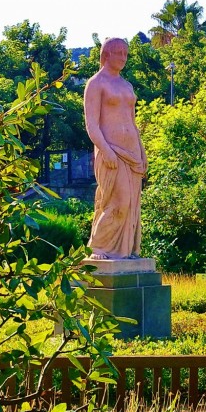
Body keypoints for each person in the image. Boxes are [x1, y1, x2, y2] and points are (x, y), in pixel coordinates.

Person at [84, 38, 147, 260]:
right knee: (118, 202)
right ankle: (98, 247)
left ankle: (125, 250)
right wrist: (106, 150)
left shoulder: (127, 85)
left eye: (125, 54)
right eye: (118, 53)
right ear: (106, 55)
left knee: (131, 207)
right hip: (111, 152)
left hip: (132, 154)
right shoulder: (96, 83)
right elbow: (91, 124)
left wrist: (142, 151)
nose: (122, 57)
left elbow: (132, 122)